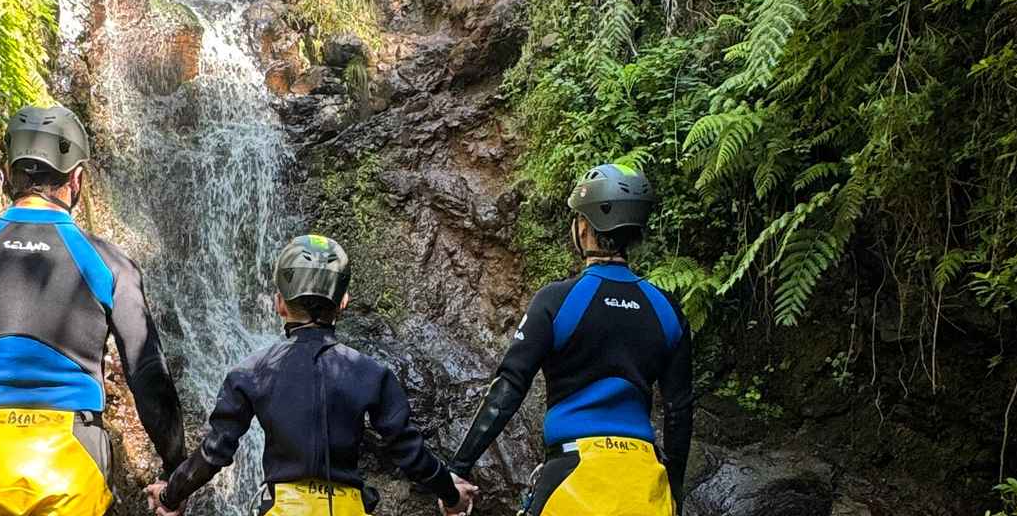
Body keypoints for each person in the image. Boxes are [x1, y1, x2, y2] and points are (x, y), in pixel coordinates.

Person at [0, 104, 185, 515]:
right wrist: (176, 471)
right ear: (76, 179)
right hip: (71, 462)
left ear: (7, 172)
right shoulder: (110, 264)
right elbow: (148, 373)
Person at [144, 234, 479, 516]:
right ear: (343, 302)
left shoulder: (251, 372)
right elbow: (410, 452)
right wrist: (452, 496)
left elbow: (214, 452)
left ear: (280, 304)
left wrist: (171, 495)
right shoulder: (371, 373)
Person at [449, 164, 694, 516]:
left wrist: (459, 468)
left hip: (572, 475)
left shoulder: (557, 301)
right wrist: (675, 492)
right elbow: (679, 411)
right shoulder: (667, 310)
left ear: (583, 227)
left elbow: (508, 388)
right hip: (646, 485)